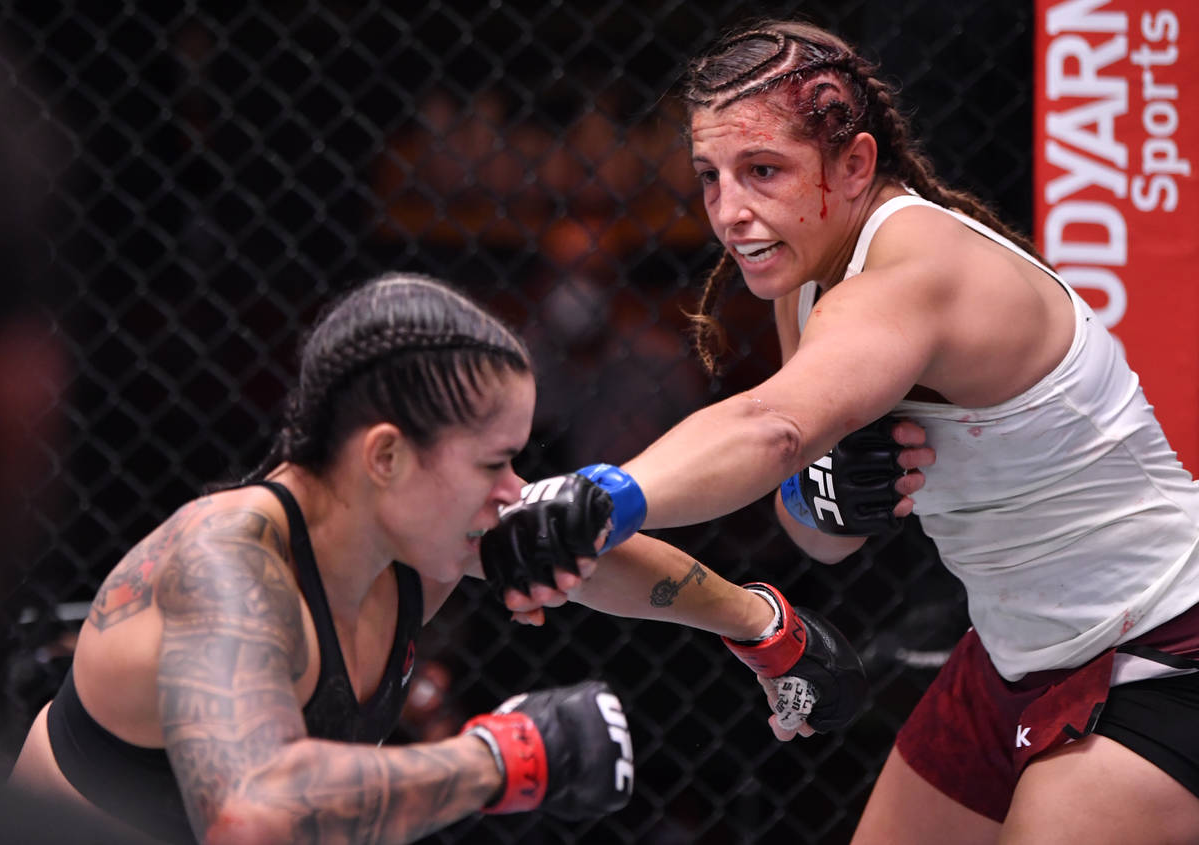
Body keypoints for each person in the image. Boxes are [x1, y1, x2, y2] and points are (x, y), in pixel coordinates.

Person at [481, 19, 1199, 845]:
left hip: (1161, 646)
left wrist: (602, 496)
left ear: (855, 164)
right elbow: (821, 539)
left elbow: (772, 425)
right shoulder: (807, 275)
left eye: (763, 171)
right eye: (711, 176)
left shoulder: (916, 267)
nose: (730, 212)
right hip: (1013, 655)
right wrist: (822, 497)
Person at [7, 271, 876, 845]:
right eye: (493, 463)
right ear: (386, 455)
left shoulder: (409, 528)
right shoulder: (228, 566)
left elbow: (578, 543)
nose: (513, 490)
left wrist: (763, 624)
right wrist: (504, 756)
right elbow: (256, 811)